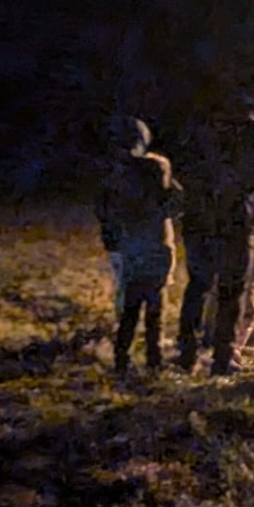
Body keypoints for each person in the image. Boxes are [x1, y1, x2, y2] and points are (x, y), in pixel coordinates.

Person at [175, 74, 254, 375]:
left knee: (199, 285)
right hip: (236, 218)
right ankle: (223, 356)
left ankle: (187, 353)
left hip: (199, 219)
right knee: (232, 290)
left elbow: (185, 169)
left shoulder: (202, 129)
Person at [95, 116, 183, 375]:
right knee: (156, 305)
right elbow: (176, 200)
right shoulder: (158, 167)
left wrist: (113, 240)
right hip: (157, 242)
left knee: (130, 305)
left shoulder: (114, 174)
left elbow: (104, 210)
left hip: (130, 244)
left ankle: (122, 358)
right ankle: (154, 359)